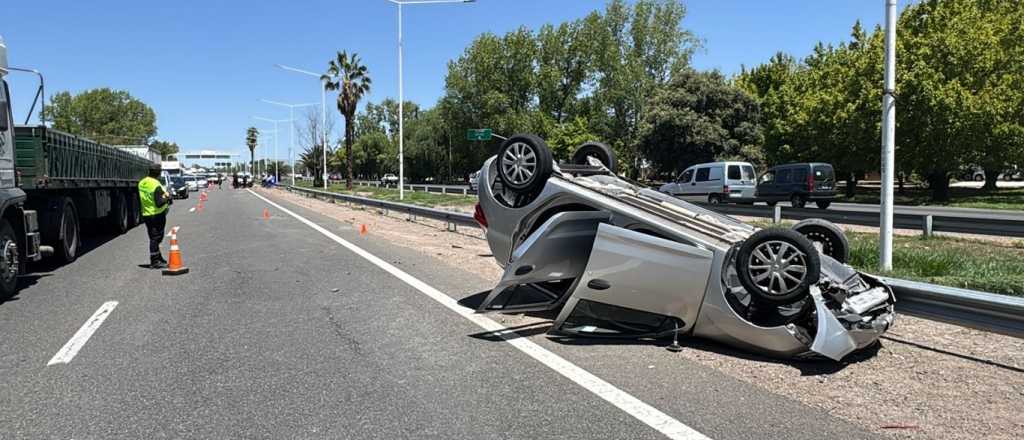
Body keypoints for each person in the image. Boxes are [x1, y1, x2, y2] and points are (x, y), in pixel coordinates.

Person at [138, 165, 173, 269]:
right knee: (157, 238)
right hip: (157, 214)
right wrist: (167, 198)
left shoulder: (142, 182)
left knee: (153, 237)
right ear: (158, 173)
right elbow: (159, 203)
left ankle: (158, 257)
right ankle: (154, 261)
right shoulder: (155, 184)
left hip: (146, 214)